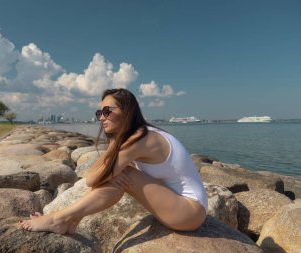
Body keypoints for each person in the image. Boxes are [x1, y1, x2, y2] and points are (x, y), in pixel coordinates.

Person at [19, 88, 208, 233]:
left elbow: (92, 178)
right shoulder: (132, 137)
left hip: (190, 212)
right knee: (116, 173)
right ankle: (71, 219)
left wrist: (111, 169)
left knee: (122, 174)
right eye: (99, 113)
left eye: (107, 111)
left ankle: (58, 219)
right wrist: (113, 151)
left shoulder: (141, 138)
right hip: (176, 205)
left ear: (126, 111)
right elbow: (99, 171)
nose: (102, 117)